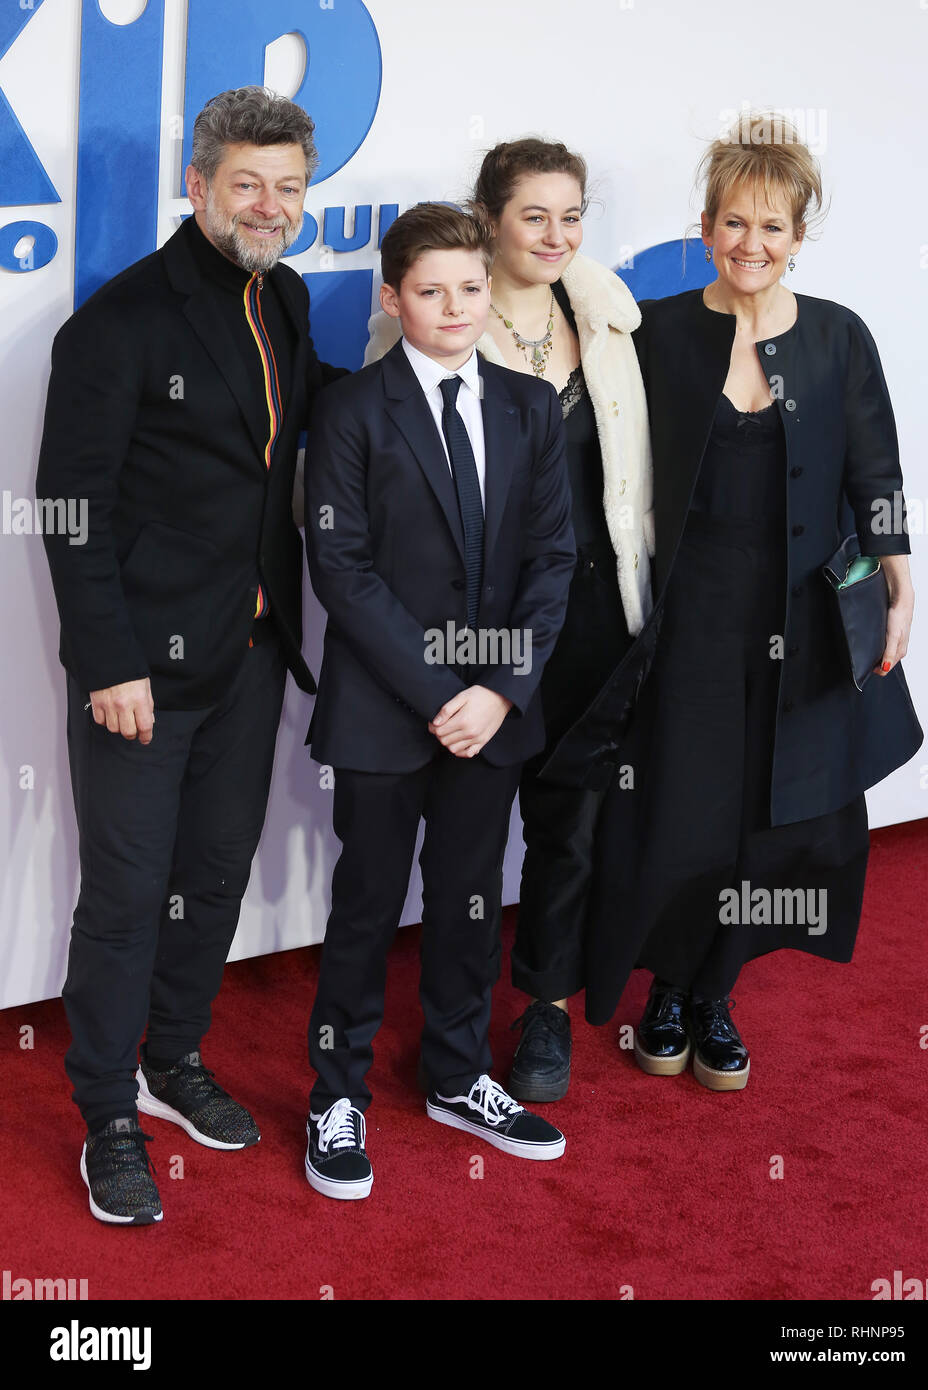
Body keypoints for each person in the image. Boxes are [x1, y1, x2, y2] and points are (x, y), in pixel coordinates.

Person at [543, 111, 923, 1089]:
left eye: (772, 228)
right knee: (681, 807)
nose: (751, 245)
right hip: (690, 620)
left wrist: (899, 581)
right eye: (733, 224)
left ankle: (715, 995)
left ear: (800, 236)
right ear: (705, 226)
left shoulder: (840, 339)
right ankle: (665, 983)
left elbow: (875, 471)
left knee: (776, 813)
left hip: (803, 621)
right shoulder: (660, 331)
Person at [35, 86, 348, 1224]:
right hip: (141, 673)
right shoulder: (119, 324)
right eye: (248, 185)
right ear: (198, 184)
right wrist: (109, 662)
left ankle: (174, 1059)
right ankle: (108, 1112)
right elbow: (69, 506)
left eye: (289, 190)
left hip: (253, 648)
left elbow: (301, 429)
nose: (269, 206)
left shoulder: (290, 297)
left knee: (210, 876)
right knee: (124, 896)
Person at [364, 139, 653, 1101]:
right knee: (467, 837)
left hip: (589, 617)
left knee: (572, 826)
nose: (556, 235)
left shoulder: (609, 316)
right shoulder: (434, 319)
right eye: (535, 215)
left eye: (572, 216)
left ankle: (544, 1012)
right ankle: (438, 1040)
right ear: (489, 218)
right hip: (468, 639)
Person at [302, 203, 576, 1199]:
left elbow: (554, 559)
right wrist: (438, 692)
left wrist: (497, 692)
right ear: (393, 297)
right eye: (430, 290)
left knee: (469, 905)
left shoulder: (530, 406)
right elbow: (340, 566)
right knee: (366, 907)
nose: (454, 306)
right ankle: (336, 1092)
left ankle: (458, 1075)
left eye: (470, 287)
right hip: (385, 711)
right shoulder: (350, 412)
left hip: (494, 716)